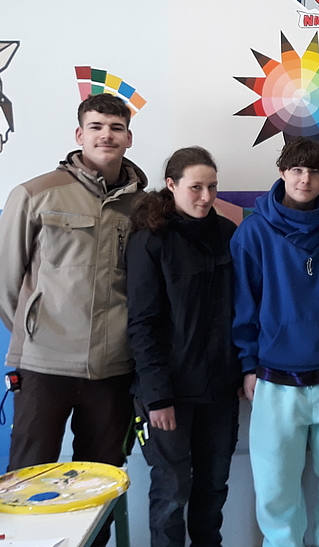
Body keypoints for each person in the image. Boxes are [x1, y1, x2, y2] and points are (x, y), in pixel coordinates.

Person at [0, 93, 146, 546]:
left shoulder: (142, 207)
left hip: (113, 368)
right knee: (26, 478)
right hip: (45, 364)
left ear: (129, 137)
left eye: (116, 128)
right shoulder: (36, 193)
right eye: (96, 126)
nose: (106, 135)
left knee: (100, 481)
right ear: (79, 134)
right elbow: (1, 275)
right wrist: (32, 329)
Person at [231, 138, 319, 547]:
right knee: (275, 485)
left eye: (314, 171)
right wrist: (247, 365)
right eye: (296, 169)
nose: (304, 179)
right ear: (282, 172)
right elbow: (242, 305)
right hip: (274, 376)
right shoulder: (253, 232)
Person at [126, 147, 241, 547]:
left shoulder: (227, 233)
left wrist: (242, 372)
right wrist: (157, 397)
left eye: (212, 187)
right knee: (172, 489)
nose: (206, 197)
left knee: (214, 485)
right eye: (196, 187)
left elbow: (240, 310)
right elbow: (142, 325)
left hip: (220, 391)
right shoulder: (149, 240)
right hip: (169, 394)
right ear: (172, 185)